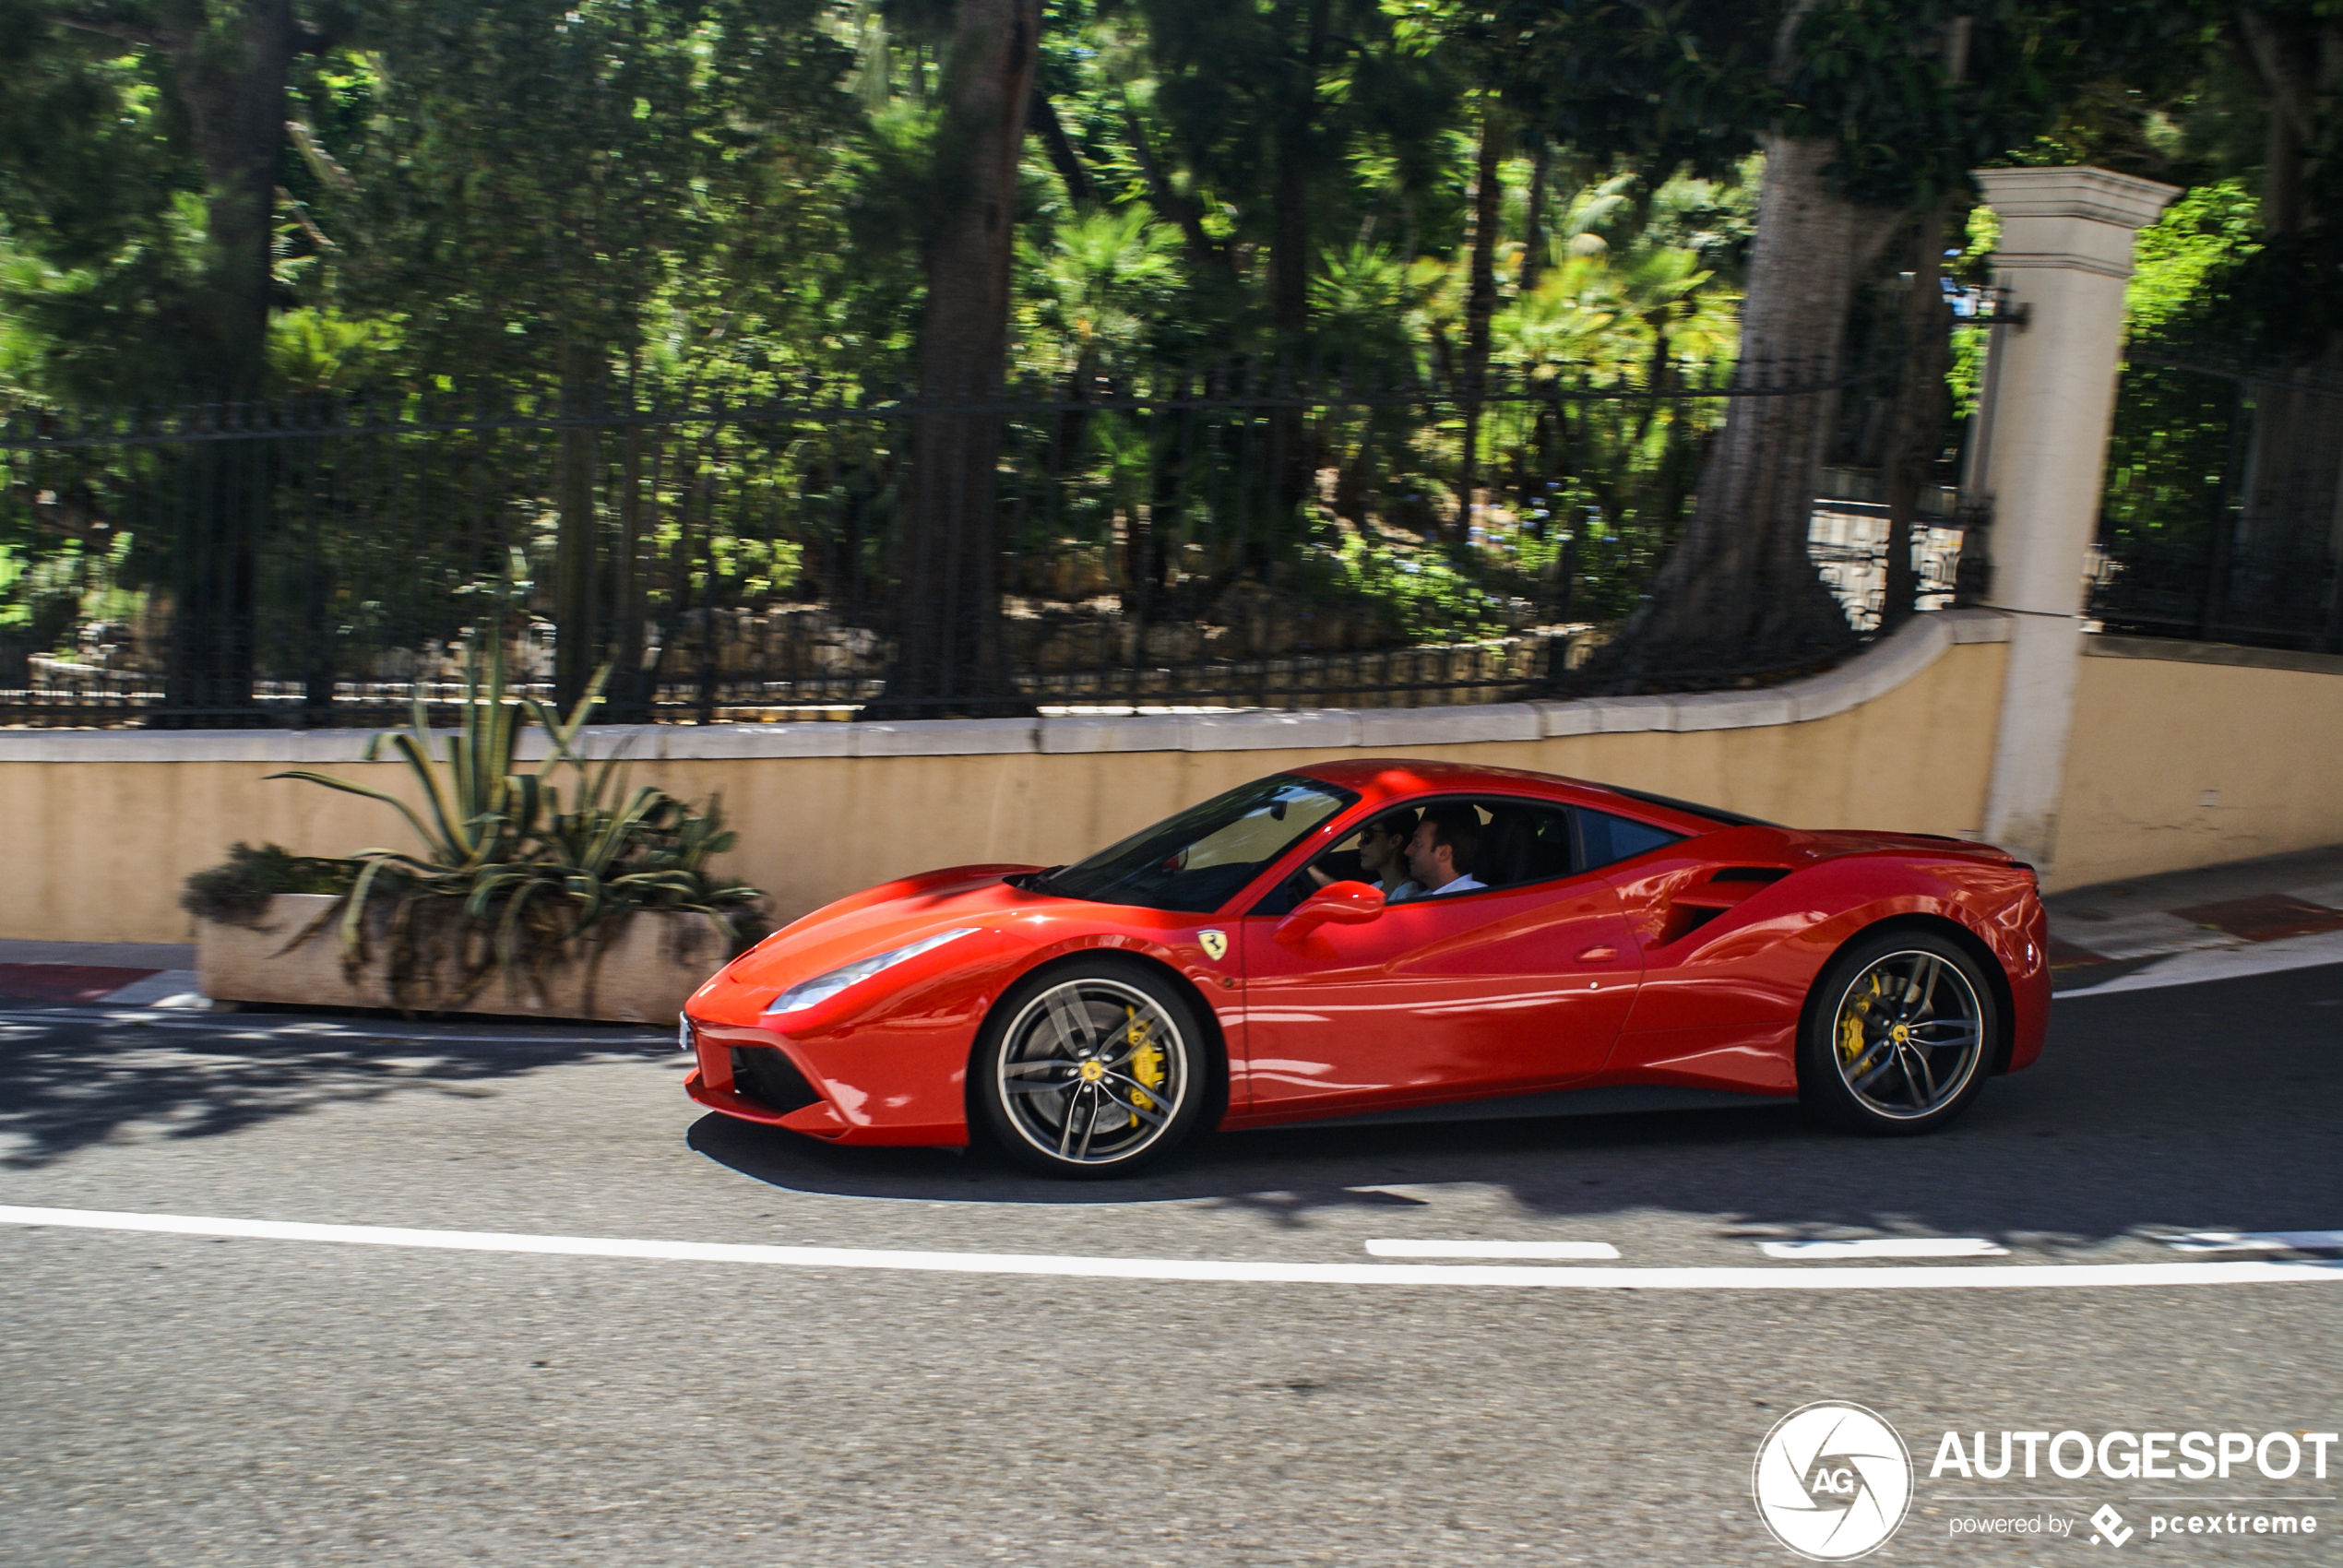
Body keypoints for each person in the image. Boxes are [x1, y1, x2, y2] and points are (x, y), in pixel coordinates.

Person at [1305, 809, 1422, 902]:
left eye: (1368, 835)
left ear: (1394, 841)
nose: (1360, 843)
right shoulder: (1378, 886)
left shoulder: (1409, 894)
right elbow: (1348, 901)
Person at [1407, 804, 1486, 897]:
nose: (1407, 851)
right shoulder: (1421, 896)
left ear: (1443, 853)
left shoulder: (1473, 899)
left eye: (1417, 843)